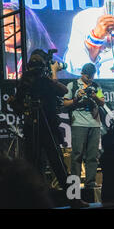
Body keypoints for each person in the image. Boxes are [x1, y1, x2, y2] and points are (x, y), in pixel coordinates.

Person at [8, 50, 69, 191]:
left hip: (49, 127)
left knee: (60, 165)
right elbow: (19, 107)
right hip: (32, 128)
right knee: (34, 164)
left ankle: (74, 198)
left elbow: (63, 91)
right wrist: (16, 103)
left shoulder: (45, 80)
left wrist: (49, 76)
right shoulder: (25, 82)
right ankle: (37, 198)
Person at [63, 63, 105, 190]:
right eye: (88, 77)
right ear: (82, 74)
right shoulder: (73, 85)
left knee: (92, 155)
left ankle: (90, 183)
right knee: (77, 154)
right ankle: (74, 185)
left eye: (92, 76)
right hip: (78, 123)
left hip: (94, 123)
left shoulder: (96, 86)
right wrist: (76, 98)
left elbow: (102, 101)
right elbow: (65, 103)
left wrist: (94, 97)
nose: (90, 79)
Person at [2, 3, 56, 79]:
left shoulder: (47, 59)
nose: (4, 30)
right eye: (2, 25)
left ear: (27, 27)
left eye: (11, 26)